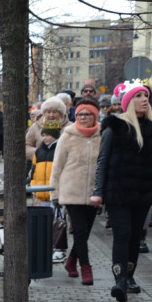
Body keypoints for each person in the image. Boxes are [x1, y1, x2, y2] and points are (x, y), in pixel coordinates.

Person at [91, 81, 152, 302]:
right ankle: (120, 281)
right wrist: (98, 191)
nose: (144, 99)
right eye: (139, 96)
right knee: (122, 234)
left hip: (143, 192)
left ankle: (130, 277)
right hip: (118, 191)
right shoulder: (115, 126)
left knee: (135, 236)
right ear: (128, 101)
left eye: (146, 95)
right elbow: (102, 160)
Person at [51, 97, 103, 286]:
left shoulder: (102, 135)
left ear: (95, 116)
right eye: (79, 114)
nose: (82, 117)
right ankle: (86, 268)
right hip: (71, 190)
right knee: (80, 230)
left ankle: (71, 261)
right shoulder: (67, 135)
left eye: (87, 114)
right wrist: (54, 193)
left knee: (85, 232)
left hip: (93, 191)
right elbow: (57, 166)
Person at [29, 120, 66, 262]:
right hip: (41, 192)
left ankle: (60, 249)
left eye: (48, 135)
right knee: (44, 223)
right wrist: (33, 185)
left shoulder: (60, 150)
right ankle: (46, 248)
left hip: (55, 193)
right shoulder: (39, 150)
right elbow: (33, 171)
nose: (45, 138)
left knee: (59, 221)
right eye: (44, 135)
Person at [26, 97, 68, 161]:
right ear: (44, 113)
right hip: (40, 165)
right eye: (48, 112)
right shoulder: (36, 126)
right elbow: (27, 145)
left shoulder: (69, 127)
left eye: (54, 112)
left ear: (61, 113)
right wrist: (40, 153)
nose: (51, 115)